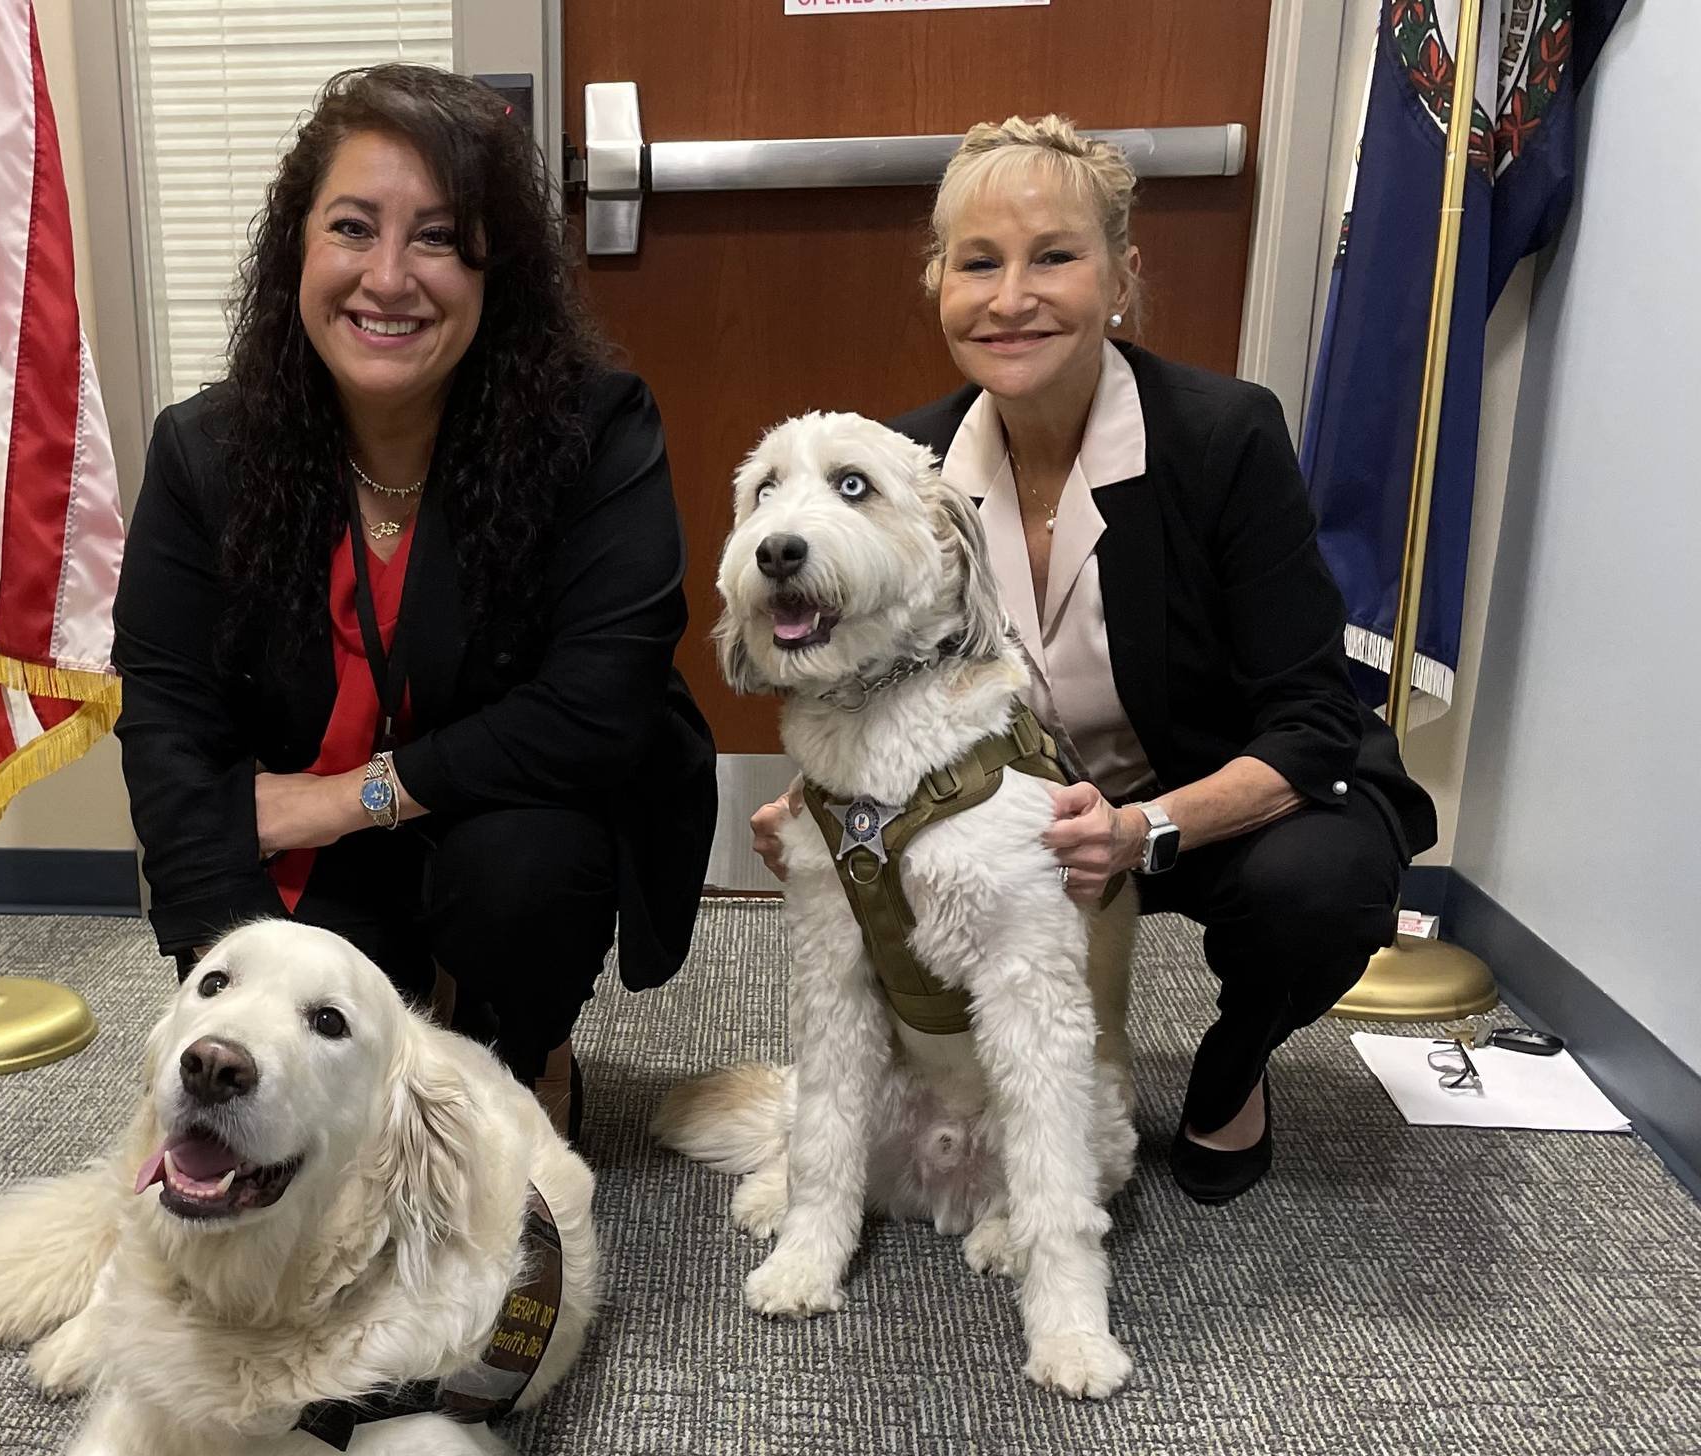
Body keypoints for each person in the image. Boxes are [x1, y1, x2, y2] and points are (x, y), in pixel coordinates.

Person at [753, 115, 1435, 1204]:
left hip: (1203, 801)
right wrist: (827, 798)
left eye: (1053, 257)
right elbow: (880, 674)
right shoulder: (905, 464)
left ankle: (1233, 1067)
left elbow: (1310, 721)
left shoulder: (1222, 437)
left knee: (1319, 889)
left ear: (1121, 276)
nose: (1010, 297)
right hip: (1004, 817)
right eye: (978, 263)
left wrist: (1138, 830)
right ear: (938, 285)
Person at [115, 64, 716, 1139]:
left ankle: (530, 1046)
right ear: (297, 248)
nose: (388, 277)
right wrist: (223, 986)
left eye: (437, 237)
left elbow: (597, 707)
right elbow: (169, 727)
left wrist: (343, 798)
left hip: (509, 817)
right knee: (322, 1075)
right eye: (352, 227)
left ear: (496, 271)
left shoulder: (594, 431)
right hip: (317, 853)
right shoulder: (204, 452)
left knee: (521, 882)